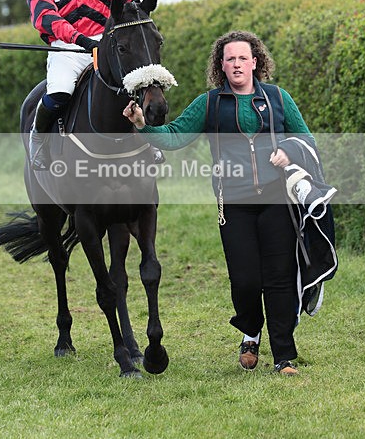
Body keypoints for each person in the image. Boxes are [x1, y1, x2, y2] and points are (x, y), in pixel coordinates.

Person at [124, 30, 325, 376]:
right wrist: (143, 126)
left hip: (279, 201)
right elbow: (174, 137)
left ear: (255, 62)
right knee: (245, 280)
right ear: (221, 65)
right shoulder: (211, 103)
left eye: (242, 58)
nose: (236, 64)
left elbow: (305, 138)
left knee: (279, 278)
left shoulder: (278, 99)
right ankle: (250, 332)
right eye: (229, 58)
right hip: (232, 203)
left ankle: (283, 357)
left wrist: (289, 151)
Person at [26, 0, 138, 169]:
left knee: (138, 86)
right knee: (60, 93)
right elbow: (44, 16)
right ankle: (38, 142)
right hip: (68, 49)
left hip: (106, 47)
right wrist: (78, 38)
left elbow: (129, 2)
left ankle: (149, 142)